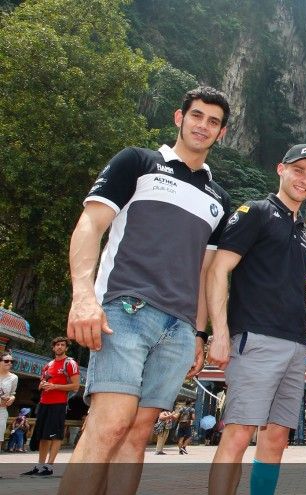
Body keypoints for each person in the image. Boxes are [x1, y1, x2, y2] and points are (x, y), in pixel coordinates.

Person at [60, 86, 232, 494]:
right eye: (196, 115)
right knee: (110, 424)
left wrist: (199, 333)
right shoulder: (138, 162)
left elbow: (204, 271)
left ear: (222, 133)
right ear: (179, 117)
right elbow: (90, 225)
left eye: (213, 121)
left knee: (138, 433)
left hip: (178, 329)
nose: (203, 126)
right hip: (125, 310)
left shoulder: (219, 199)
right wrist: (83, 296)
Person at [206, 143, 306, 495]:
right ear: (281, 169)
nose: (304, 179)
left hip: (295, 345)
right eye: (298, 170)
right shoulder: (255, 212)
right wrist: (219, 332)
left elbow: (302, 289)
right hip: (254, 337)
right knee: (239, 433)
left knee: (277, 437)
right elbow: (218, 270)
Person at [22, 337, 79, 476]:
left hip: (59, 404)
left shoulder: (70, 363)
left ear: (66, 348)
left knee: (55, 435)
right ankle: (40, 465)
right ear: (53, 348)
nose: (59, 347)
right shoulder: (48, 365)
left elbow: (75, 386)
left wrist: (55, 386)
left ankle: (49, 466)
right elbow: (41, 383)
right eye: (57, 345)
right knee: (43, 435)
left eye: (62, 345)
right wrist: (42, 385)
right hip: (44, 403)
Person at [0, 351, 18, 445]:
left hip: (2, 410)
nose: (10, 363)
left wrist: (12, 398)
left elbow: (12, 393)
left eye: (12, 361)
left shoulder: (14, 377)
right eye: (6, 361)